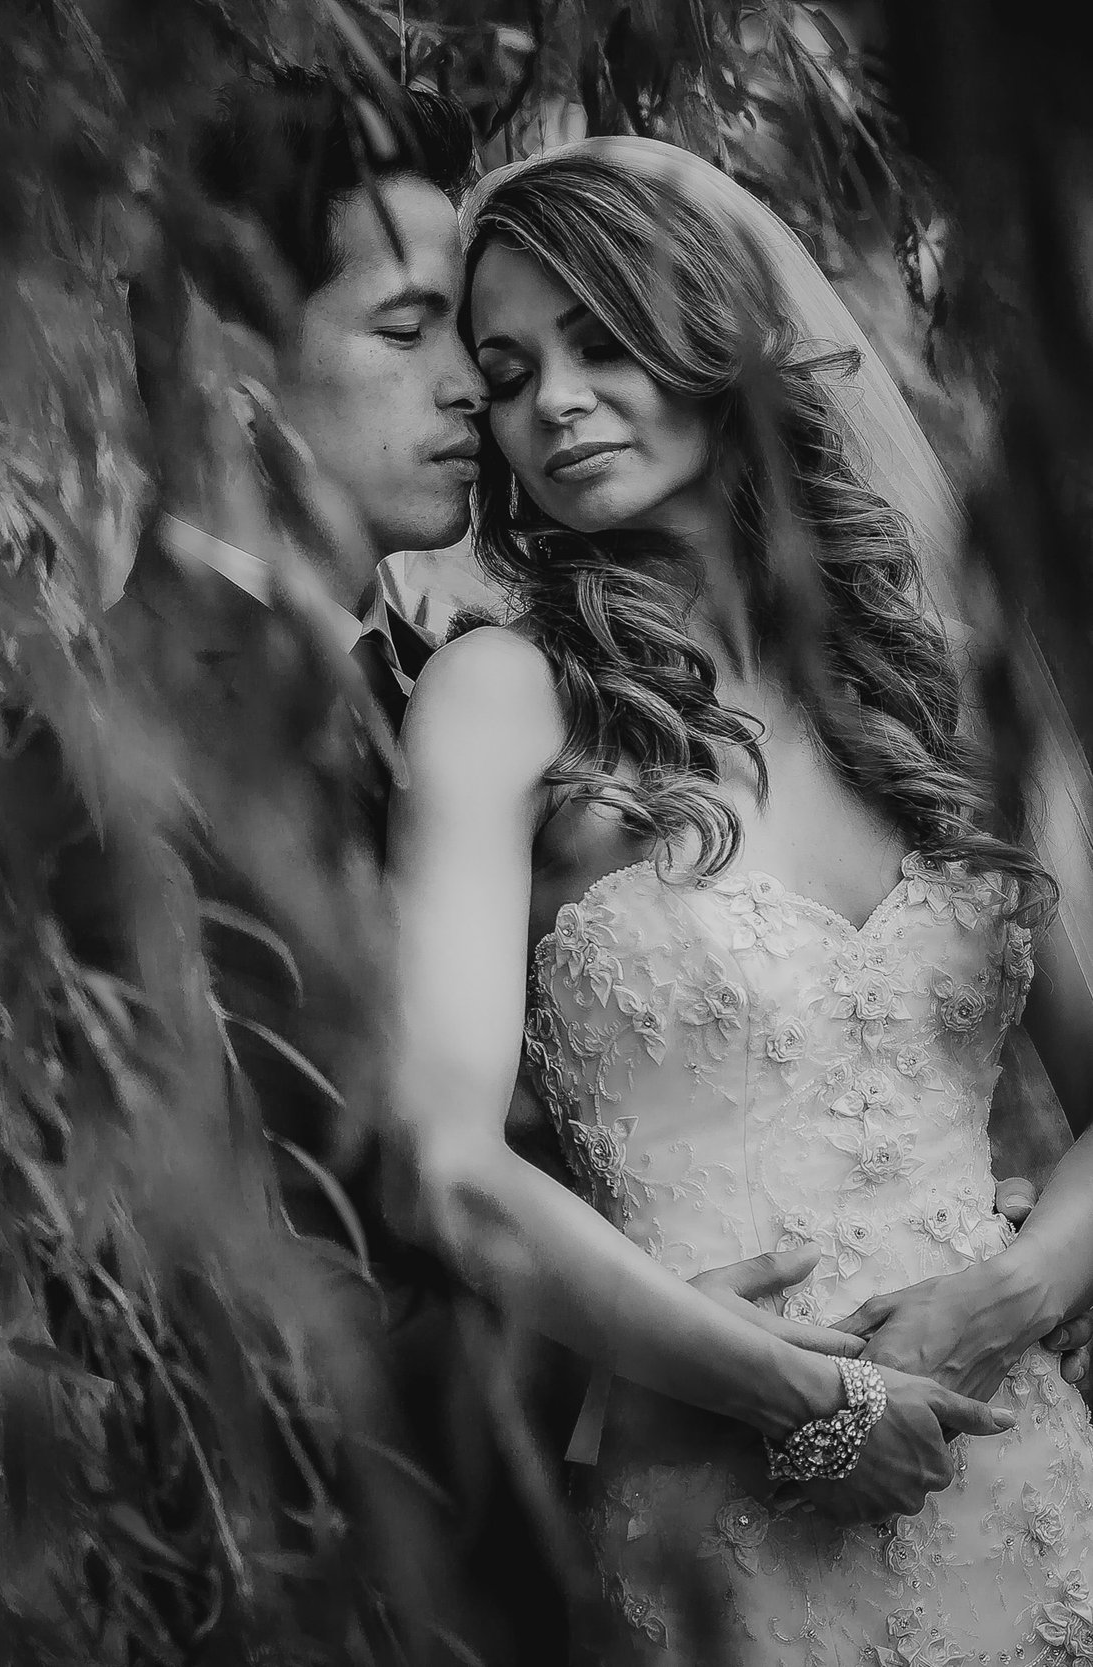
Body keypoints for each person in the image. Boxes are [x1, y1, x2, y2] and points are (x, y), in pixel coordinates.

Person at [386, 135, 1093, 1664]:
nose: (553, 401)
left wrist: (1006, 1296)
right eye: (509, 371)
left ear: (716, 333)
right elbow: (446, 1167)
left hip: (1018, 1469)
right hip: (724, 1507)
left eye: (601, 339)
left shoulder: (941, 685)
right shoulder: (504, 698)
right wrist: (805, 1394)